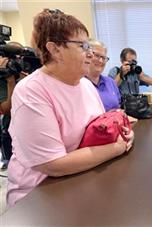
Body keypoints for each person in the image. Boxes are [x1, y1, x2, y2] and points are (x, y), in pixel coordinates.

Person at [6, 9, 134, 207]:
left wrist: (124, 134)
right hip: (39, 194)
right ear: (55, 49)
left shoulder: (84, 85)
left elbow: (101, 128)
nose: (91, 54)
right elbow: (53, 165)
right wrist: (117, 147)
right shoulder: (31, 91)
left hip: (80, 177)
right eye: (83, 46)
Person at [0, 42, 29, 169]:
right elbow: (6, 109)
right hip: (11, 125)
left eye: (19, 57)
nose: (17, 61)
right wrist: (10, 81)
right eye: (13, 58)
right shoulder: (4, 77)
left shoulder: (29, 70)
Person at [87, 39, 121, 112]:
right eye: (97, 56)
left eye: (104, 58)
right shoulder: (79, 84)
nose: (101, 61)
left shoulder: (111, 82)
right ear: (87, 55)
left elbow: (119, 106)